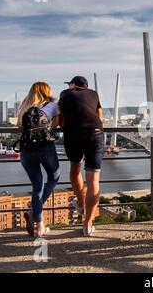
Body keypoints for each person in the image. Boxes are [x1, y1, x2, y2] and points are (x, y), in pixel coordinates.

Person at [58, 76, 104, 237]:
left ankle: (81, 203)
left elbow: (61, 122)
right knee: (93, 180)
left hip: (74, 135)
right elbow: (100, 117)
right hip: (96, 133)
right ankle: (88, 224)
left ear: (73, 85)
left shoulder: (64, 94)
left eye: (70, 83)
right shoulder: (94, 94)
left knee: (76, 168)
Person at [17, 82, 61, 238]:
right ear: (47, 91)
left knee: (37, 186)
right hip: (45, 148)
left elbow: (19, 126)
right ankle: (36, 215)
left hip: (26, 150)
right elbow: (56, 125)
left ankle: (39, 226)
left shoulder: (24, 105)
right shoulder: (52, 105)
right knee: (54, 177)